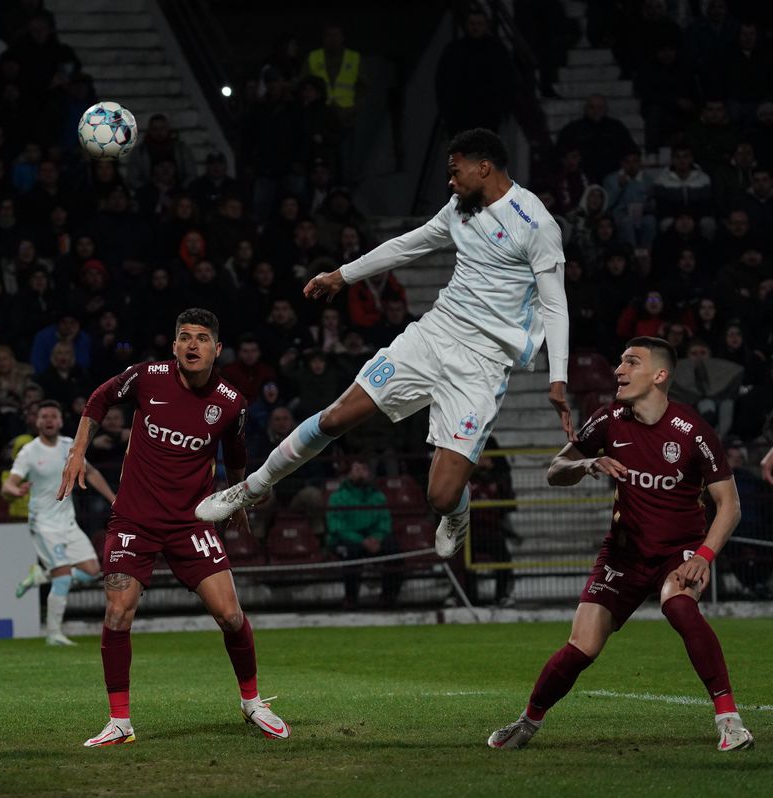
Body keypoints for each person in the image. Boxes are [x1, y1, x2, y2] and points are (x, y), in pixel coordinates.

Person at [197, 129, 572, 566]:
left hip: (483, 365)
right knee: (336, 417)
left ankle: (457, 511)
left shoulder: (535, 223)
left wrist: (558, 378)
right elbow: (408, 244)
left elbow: (555, 304)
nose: (450, 181)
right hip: (433, 336)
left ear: (483, 167)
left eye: (456, 172)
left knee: (440, 495)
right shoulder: (460, 207)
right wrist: (342, 275)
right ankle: (251, 488)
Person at [487, 337, 754, 753]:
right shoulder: (608, 419)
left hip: (678, 550)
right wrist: (586, 462)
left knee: (679, 605)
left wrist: (704, 556)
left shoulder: (692, 431)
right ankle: (528, 721)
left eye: (631, 362)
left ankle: (730, 721)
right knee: (582, 647)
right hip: (623, 553)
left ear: (660, 375)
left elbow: (730, 505)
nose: (618, 370)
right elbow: (555, 470)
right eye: (620, 362)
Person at [59, 308, 290, 746]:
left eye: (201, 338)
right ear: (174, 345)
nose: (191, 345)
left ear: (217, 349)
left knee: (230, 615)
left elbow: (235, 454)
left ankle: (252, 703)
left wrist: (238, 498)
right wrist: (77, 452)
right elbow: (98, 399)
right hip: (135, 519)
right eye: (184, 337)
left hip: (191, 522)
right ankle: (120, 722)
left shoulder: (231, 403)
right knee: (117, 612)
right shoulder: (148, 377)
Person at [3, 400, 113, 646]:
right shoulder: (29, 452)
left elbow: (91, 473)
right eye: (44, 416)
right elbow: (8, 484)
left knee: (92, 571)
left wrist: (113, 499)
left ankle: (40, 576)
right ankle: (53, 633)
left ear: (61, 421)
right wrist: (15, 491)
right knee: (62, 575)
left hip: (67, 522)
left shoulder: (69, 447)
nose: (49, 420)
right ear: (37, 422)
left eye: (53, 416)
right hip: (43, 523)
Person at [325, 458, 398, 609]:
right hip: (348, 539)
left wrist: (376, 538)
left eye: (364, 469)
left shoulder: (378, 496)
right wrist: (361, 541)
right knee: (351, 554)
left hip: (373, 539)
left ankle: (388, 597)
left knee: (394, 550)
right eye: (357, 469)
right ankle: (351, 599)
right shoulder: (337, 497)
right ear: (349, 474)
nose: (361, 473)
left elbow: (385, 521)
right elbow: (336, 527)